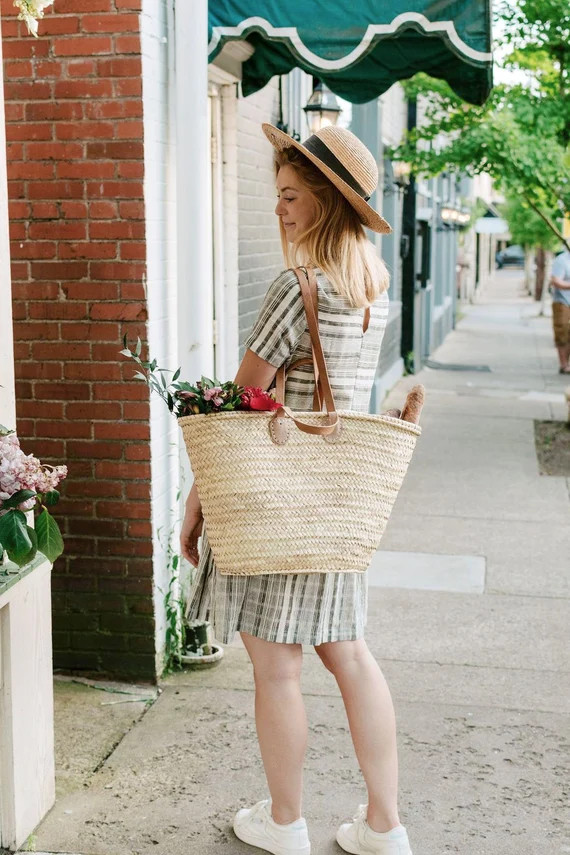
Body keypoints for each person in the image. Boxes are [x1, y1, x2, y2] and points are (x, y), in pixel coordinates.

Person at [180, 122, 414, 855]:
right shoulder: (369, 285)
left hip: (280, 498)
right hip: (337, 499)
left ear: (322, 202)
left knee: (277, 665)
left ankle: (285, 821)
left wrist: (198, 498)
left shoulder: (299, 285)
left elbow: (240, 402)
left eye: (288, 196)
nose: (278, 209)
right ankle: (384, 824)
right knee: (348, 651)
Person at [550, 248, 570, 374]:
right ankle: (564, 365)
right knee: (562, 333)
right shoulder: (562, 260)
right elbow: (555, 281)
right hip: (563, 302)